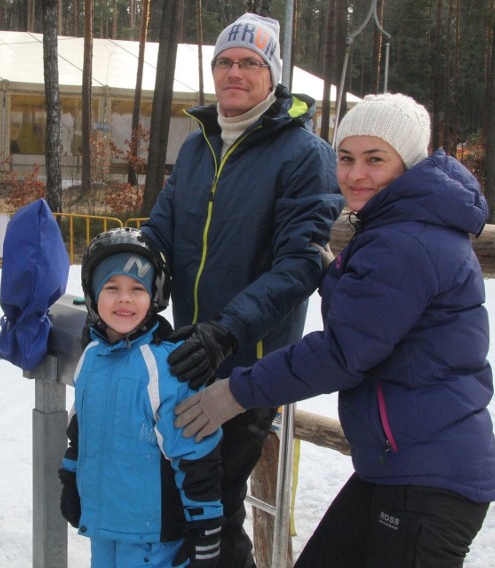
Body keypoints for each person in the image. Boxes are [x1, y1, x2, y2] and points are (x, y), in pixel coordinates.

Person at [174, 93, 495, 566]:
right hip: (399, 464)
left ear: (407, 162)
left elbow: (344, 353)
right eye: (346, 158)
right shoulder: (399, 229)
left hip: (430, 479)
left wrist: (237, 391)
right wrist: (339, 276)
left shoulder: (405, 240)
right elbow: (382, 320)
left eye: (375, 160)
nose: (355, 175)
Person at [141, 13, 344, 566]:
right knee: (185, 504)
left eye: (250, 63)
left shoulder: (305, 153)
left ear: (272, 74)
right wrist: (122, 274)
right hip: (188, 353)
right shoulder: (196, 146)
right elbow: (161, 232)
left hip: (249, 363)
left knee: (213, 511)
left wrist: (228, 332)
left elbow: (302, 263)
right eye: (225, 61)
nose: (235, 71)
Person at [59, 227, 224, 567]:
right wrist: (70, 479)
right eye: (111, 288)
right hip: (104, 528)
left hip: (153, 538)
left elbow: (196, 454)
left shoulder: (167, 367)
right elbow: (81, 428)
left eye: (137, 289)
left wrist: (205, 527)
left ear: (155, 296)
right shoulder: (91, 357)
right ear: (92, 295)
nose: (124, 299)